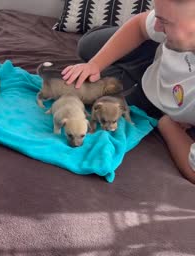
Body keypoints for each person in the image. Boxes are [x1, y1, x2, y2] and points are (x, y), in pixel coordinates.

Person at [62, 0, 195, 183]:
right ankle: (142, 52)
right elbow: (141, 24)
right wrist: (94, 65)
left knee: (92, 94)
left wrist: (167, 124)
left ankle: (132, 66)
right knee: (86, 46)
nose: (157, 25)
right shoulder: (173, 25)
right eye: (156, 16)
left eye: (164, 21)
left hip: (156, 96)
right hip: (156, 60)